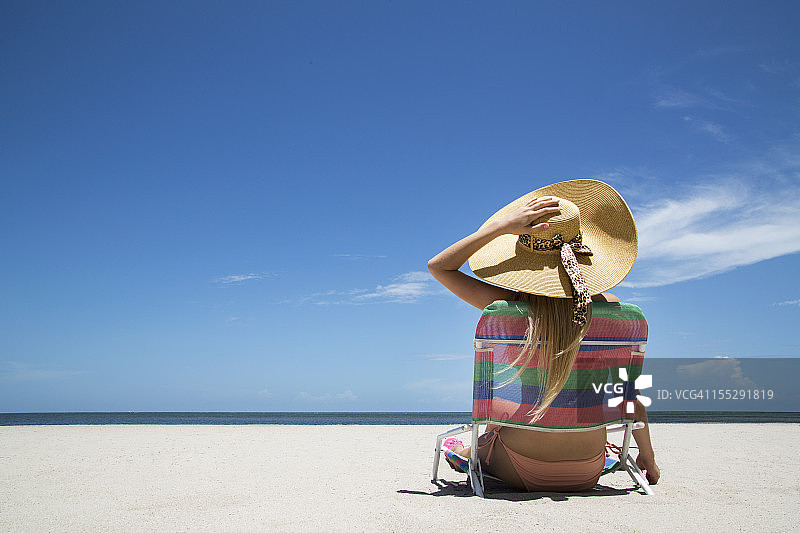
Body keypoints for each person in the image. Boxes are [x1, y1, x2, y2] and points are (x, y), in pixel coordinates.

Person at [428, 179, 660, 492]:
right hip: (588, 466)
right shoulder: (616, 315)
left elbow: (440, 267)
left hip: (518, 464)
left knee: (461, 447)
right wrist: (647, 456)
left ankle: (466, 450)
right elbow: (629, 394)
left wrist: (499, 227)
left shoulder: (509, 308)